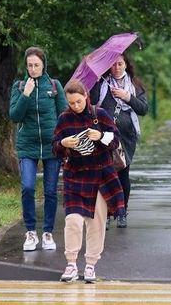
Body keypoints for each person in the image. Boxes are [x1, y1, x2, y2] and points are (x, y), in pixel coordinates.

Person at [52, 79, 125, 282]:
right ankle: (71, 264)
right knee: (72, 221)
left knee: (96, 223)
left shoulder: (99, 114)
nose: (75, 106)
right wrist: (63, 143)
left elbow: (116, 140)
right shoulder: (64, 118)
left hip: (101, 175)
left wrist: (100, 135)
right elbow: (55, 147)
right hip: (75, 175)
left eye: (78, 101)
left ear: (85, 96)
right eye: (71, 103)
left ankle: (91, 265)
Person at [9, 46, 67, 252]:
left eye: (36, 65)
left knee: (51, 191)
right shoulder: (19, 87)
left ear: (43, 65)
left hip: (52, 146)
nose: (33, 69)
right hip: (27, 145)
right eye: (30, 65)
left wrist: (65, 141)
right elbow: (14, 116)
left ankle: (48, 233)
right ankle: (31, 232)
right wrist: (25, 95)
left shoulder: (54, 86)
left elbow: (64, 115)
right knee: (27, 187)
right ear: (26, 66)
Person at [90, 53, 148, 228]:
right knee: (105, 174)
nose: (116, 68)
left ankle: (122, 211)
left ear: (126, 65)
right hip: (105, 135)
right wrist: (96, 81)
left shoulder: (135, 85)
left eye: (120, 64)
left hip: (126, 137)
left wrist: (127, 97)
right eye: (113, 65)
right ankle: (106, 213)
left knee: (123, 173)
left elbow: (144, 109)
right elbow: (91, 102)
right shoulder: (102, 83)